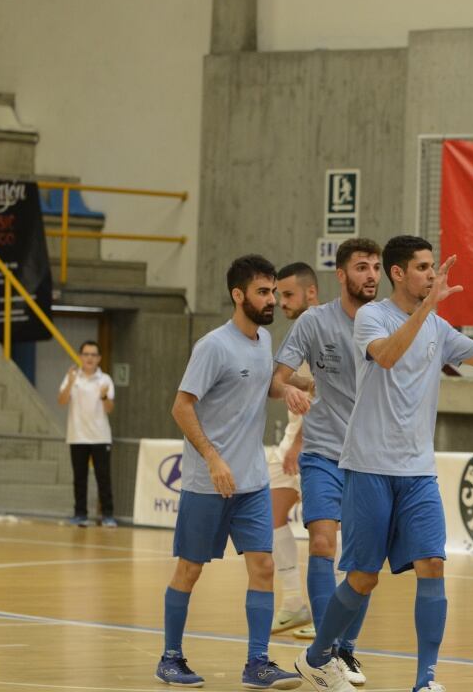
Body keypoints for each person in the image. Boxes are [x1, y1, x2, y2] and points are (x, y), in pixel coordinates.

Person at [296, 235, 473, 692]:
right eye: (423, 268)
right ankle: (318, 655)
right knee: (362, 578)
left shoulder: (436, 326)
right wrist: (427, 308)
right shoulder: (372, 317)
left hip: (418, 471)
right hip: (369, 465)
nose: (432, 275)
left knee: (433, 565)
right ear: (398, 273)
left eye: (433, 267)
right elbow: (388, 356)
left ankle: (425, 681)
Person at [155, 254, 301, 690]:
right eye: (263, 291)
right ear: (239, 295)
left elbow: (262, 383)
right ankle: (170, 657)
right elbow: (181, 406)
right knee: (189, 570)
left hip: (253, 482)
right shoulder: (212, 346)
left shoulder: (263, 341)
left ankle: (258, 663)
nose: (271, 298)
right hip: (208, 483)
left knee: (263, 566)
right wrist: (213, 459)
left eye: (273, 291)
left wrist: (292, 387)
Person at [271, 239, 382, 686]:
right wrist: (291, 388)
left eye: (376, 267)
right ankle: (324, 652)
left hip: (373, 458)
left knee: (364, 562)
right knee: (321, 543)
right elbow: (276, 377)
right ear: (341, 274)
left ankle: (347, 651)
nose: (371, 274)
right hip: (321, 452)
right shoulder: (314, 323)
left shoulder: (389, 322)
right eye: (362, 267)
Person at [269, 262, 319, 638]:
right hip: (293, 435)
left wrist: (301, 441)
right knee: (270, 514)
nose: (279, 301)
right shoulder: (294, 333)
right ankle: (292, 602)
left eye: (287, 294)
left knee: (326, 529)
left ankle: (324, 614)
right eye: (276, 294)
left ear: (310, 293)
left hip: (319, 441)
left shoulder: (323, 329)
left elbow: (328, 393)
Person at [57, 340, 115, 528]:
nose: (89, 358)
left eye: (93, 355)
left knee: (103, 477)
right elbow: (62, 401)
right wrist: (70, 383)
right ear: (80, 356)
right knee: (79, 477)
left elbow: (109, 408)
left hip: (100, 436)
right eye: (86, 354)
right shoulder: (72, 377)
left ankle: (107, 515)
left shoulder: (105, 379)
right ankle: (80, 514)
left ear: (98, 358)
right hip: (77, 435)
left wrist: (104, 396)